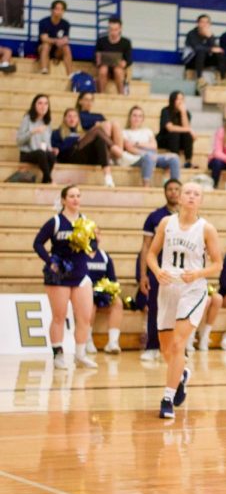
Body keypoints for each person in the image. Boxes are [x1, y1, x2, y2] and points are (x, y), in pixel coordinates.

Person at [146, 182, 223, 420]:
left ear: (201, 200)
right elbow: (150, 253)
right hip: (168, 287)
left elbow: (217, 263)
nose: (191, 197)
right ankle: (181, 375)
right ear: (179, 198)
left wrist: (198, 274)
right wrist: (157, 270)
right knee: (166, 349)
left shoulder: (206, 229)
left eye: (196, 194)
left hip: (192, 289)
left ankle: (167, 397)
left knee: (179, 345)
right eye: (187, 193)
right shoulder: (166, 223)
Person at [33, 184, 96, 369]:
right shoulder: (55, 222)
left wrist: (89, 247)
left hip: (81, 274)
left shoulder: (86, 222)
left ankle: (80, 354)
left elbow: (92, 243)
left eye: (78, 195)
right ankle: (58, 354)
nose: (76, 199)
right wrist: (50, 261)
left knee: (85, 317)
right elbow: (37, 243)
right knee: (59, 316)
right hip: (59, 275)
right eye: (71, 196)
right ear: (63, 200)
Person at [139, 179, 182, 363]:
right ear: (165, 192)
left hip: (182, 272)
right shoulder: (155, 217)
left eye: (176, 189)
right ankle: (152, 346)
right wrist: (143, 274)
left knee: (180, 309)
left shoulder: (189, 217)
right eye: (170, 189)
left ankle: (179, 347)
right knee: (156, 308)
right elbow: (146, 248)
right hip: (159, 271)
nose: (173, 192)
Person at [51, 108, 115, 187]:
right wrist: (75, 140)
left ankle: (108, 177)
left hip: (84, 157)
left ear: (78, 119)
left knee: (99, 140)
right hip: (70, 156)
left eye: (75, 116)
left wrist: (82, 138)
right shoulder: (57, 132)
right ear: (64, 119)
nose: (72, 119)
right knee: (97, 129)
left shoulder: (82, 132)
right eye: (69, 116)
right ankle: (114, 148)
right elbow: (58, 149)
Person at [120, 105, 181, 187]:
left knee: (174, 157)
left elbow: (154, 146)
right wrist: (146, 151)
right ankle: (146, 186)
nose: (137, 118)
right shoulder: (124, 132)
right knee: (148, 156)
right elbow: (129, 148)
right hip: (136, 158)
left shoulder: (147, 131)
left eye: (140, 116)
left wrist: (137, 143)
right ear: (129, 117)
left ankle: (175, 185)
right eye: (134, 115)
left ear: (142, 119)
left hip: (153, 156)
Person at [85, 237, 123, 355]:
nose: (94, 237)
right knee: (91, 305)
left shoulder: (104, 256)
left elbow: (112, 279)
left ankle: (112, 342)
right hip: (85, 292)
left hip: (101, 292)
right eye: (92, 234)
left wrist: (109, 289)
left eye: (97, 234)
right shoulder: (80, 255)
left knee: (117, 303)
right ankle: (87, 340)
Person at [17, 94, 55, 184]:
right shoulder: (27, 119)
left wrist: (51, 149)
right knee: (41, 154)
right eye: (40, 103)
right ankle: (49, 179)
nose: (43, 106)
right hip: (27, 153)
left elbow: (47, 142)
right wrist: (32, 132)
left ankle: (45, 179)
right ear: (34, 105)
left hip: (41, 153)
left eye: (46, 104)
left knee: (51, 155)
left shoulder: (47, 122)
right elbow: (19, 141)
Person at [75, 92, 124, 160]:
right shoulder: (77, 115)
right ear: (80, 101)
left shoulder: (98, 115)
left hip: (104, 136)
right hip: (90, 139)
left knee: (115, 123)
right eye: (86, 100)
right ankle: (109, 155)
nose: (89, 102)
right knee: (104, 126)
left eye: (91, 100)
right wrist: (97, 126)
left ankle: (117, 155)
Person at [183, 14, 226, 84]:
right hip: (191, 60)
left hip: (204, 60)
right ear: (198, 24)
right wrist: (211, 49)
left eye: (207, 22)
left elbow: (215, 48)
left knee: (220, 53)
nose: (204, 24)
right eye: (202, 22)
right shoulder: (191, 34)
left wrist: (210, 37)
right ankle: (199, 79)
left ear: (209, 24)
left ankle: (223, 79)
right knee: (201, 52)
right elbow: (196, 48)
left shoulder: (209, 34)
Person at [94, 17, 132, 94]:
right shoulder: (101, 41)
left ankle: (121, 95)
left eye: (116, 29)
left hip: (119, 70)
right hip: (105, 70)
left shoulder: (126, 42)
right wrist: (97, 61)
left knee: (117, 70)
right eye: (111, 29)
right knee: (103, 70)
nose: (113, 32)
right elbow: (95, 57)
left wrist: (125, 63)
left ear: (120, 29)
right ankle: (101, 94)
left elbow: (129, 59)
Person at [158, 91, 195, 168]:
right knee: (174, 133)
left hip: (179, 141)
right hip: (165, 139)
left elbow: (186, 127)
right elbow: (170, 128)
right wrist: (189, 130)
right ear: (173, 100)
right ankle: (175, 161)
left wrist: (183, 113)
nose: (180, 101)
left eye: (182, 99)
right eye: (178, 99)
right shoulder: (166, 111)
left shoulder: (186, 113)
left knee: (187, 135)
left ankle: (188, 161)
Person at [38, 0, 73, 76]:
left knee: (66, 47)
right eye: (57, 9)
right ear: (51, 10)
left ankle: (70, 74)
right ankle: (44, 69)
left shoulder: (66, 24)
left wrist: (60, 42)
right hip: (43, 49)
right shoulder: (43, 22)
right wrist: (57, 41)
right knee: (46, 45)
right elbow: (44, 38)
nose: (59, 11)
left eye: (61, 9)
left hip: (57, 50)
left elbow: (66, 39)